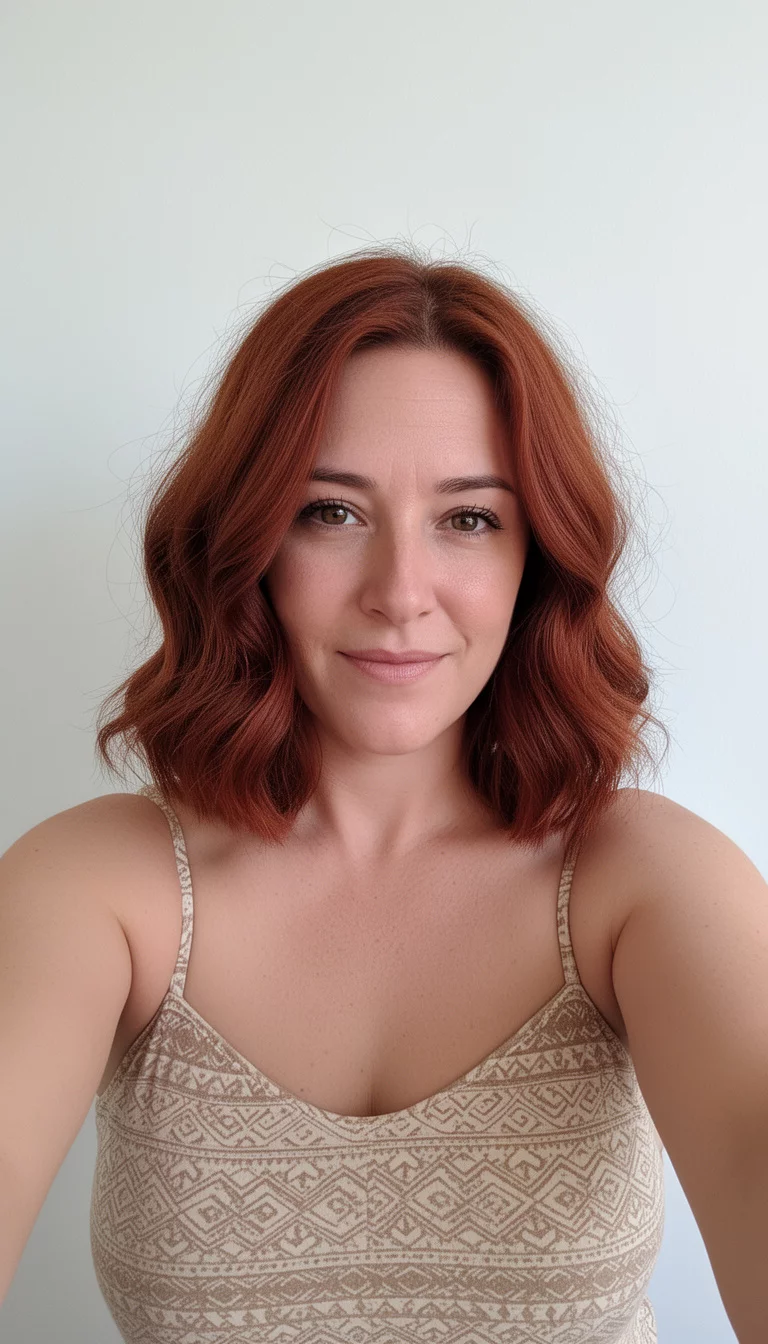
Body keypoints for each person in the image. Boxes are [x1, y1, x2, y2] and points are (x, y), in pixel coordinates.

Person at [2, 246, 765, 1343]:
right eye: (330, 512)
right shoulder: (97, 887)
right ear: (247, 541)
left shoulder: (638, 881)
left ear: (535, 557)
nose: (400, 594)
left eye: (469, 519)